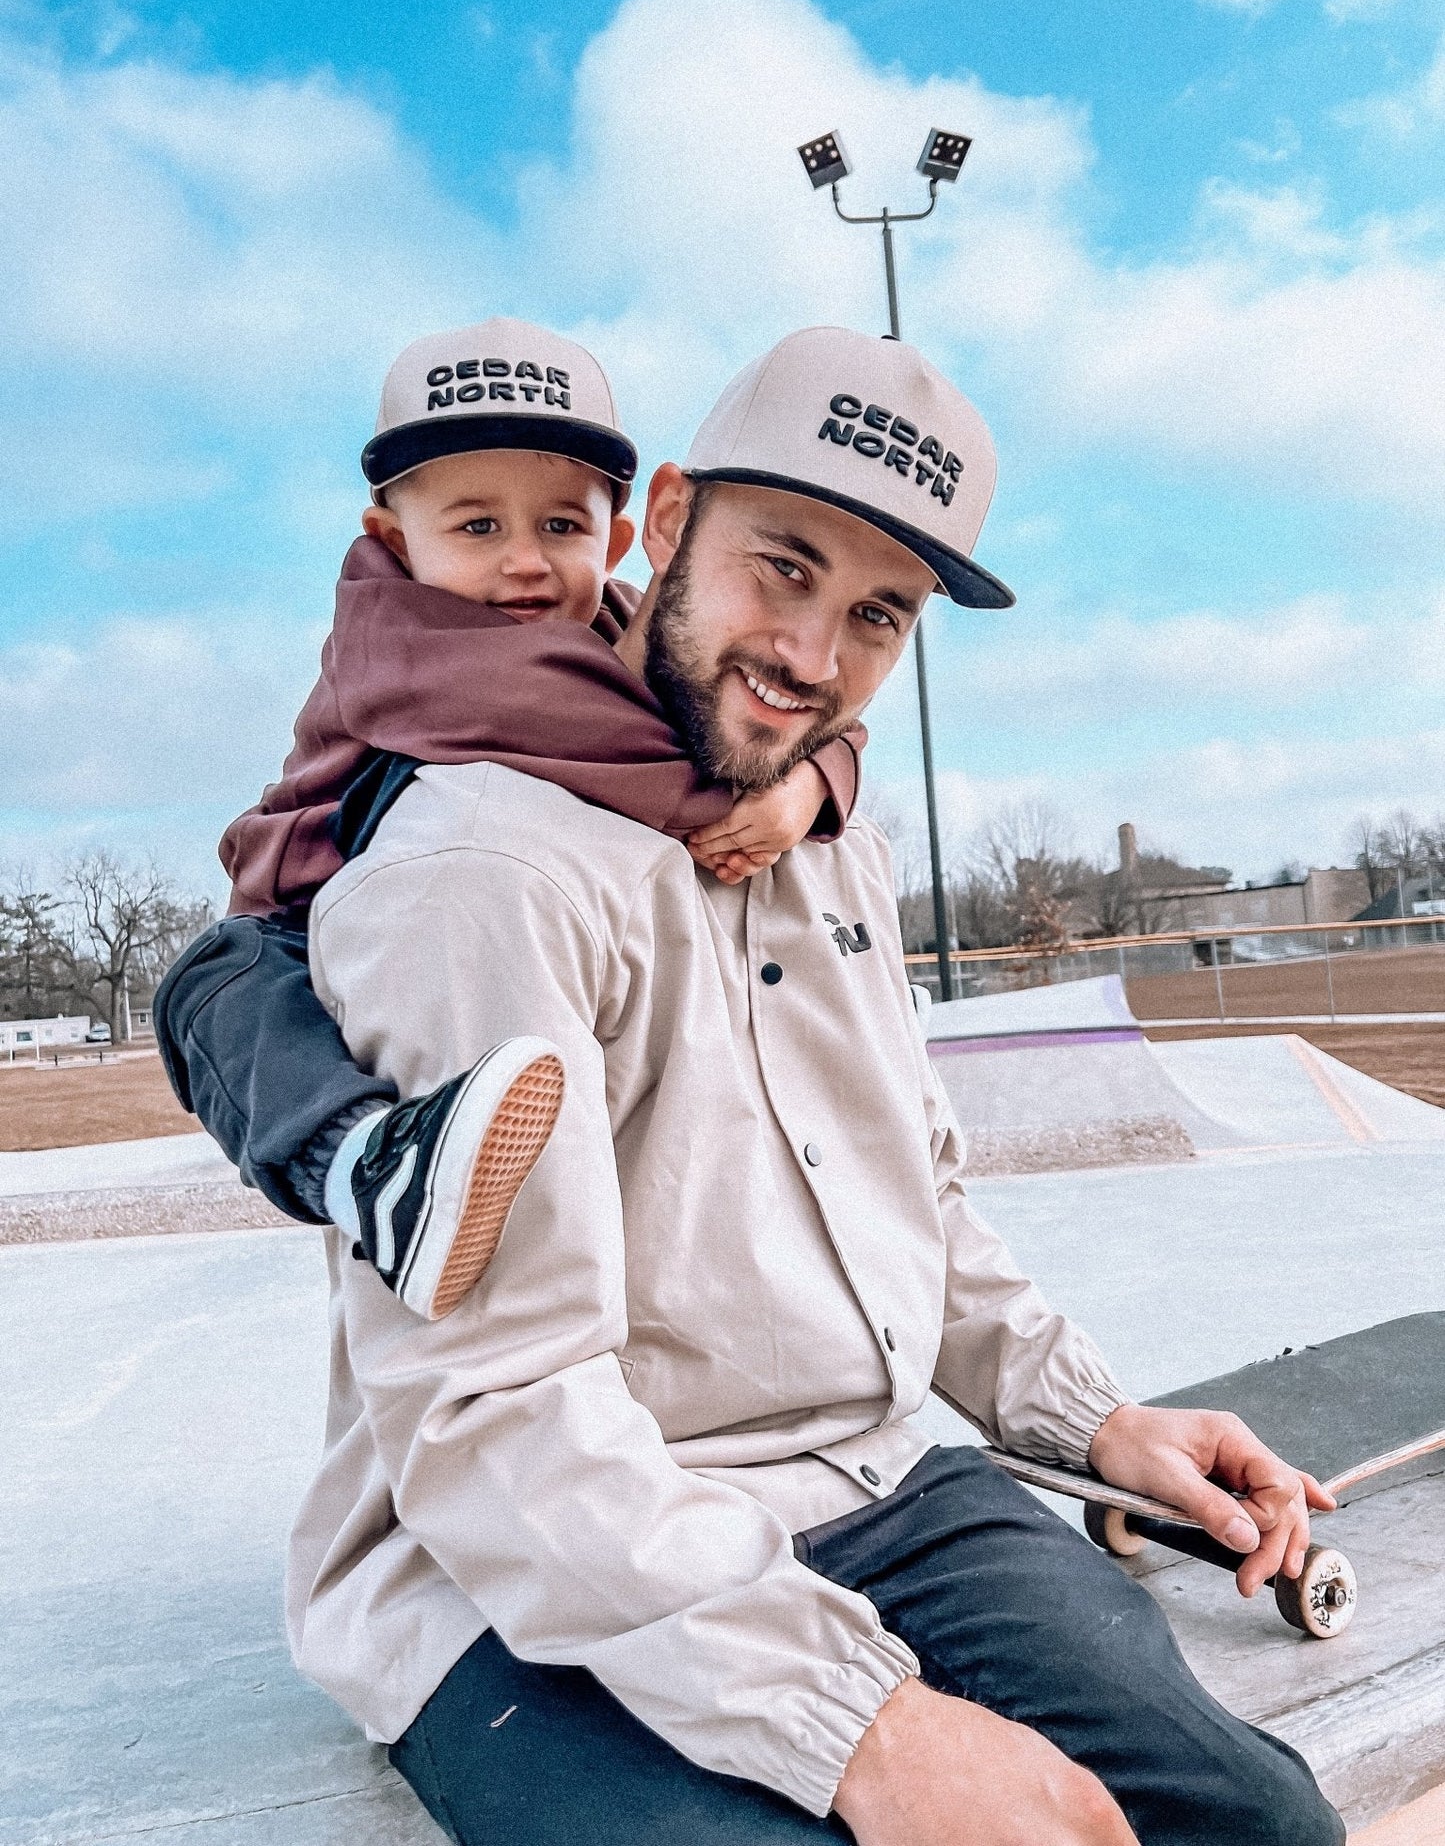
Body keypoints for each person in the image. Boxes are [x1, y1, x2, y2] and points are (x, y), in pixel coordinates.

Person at [292, 326, 1345, 1845]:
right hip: (516, 1559)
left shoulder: (835, 832)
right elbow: (494, 1418)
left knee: (1256, 1824)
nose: (811, 657)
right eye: (779, 567)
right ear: (662, 525)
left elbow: (905, 1197)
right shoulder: (482, 866)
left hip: (876, 1486)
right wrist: (864, 1727)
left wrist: (1093, 1417)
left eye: (875, 615)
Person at [155, 320, 863, 1319]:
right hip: (287, 922)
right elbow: (651, 767)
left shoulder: (603, 627)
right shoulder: (422, 643)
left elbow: (758, 716)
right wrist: (783, 783)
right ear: (394, 544)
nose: (524, 563)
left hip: (408, 922)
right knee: (220, 1007)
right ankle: (372, 1170)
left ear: (616, 541)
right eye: (477, 527)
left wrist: (813, 768)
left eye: (561, 527)